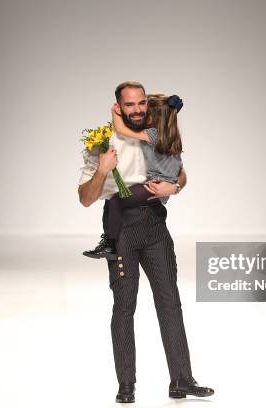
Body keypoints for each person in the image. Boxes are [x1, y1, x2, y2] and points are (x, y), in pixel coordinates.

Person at [78, 81, 213, 403]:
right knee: (124, 308)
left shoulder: (155, 132)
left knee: (170, 303)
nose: (137, 110)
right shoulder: (102, 144)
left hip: (155, 228)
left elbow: (179, 172)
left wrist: (175, 188)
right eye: (130, 105)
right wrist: (102, 170)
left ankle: (182, 379)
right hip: (121, 232)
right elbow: (85, 198)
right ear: (118, 107)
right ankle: (126, 386)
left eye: (141, 104)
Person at [83, 93, 184, 259]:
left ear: (153, 118)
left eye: (146, 112)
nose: (142, 113)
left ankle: (109, 244)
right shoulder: (171, 136)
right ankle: (109, 241)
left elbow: (121, 129)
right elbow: (178, 168)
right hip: (160, 184)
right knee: (114, 201)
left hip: (154, 185)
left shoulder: (153, 134)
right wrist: (173, 185)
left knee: (116, 199)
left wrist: (115, 111)